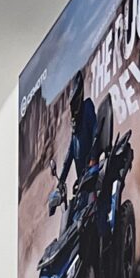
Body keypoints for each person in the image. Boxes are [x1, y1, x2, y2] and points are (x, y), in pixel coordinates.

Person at [55, 73, 102, 204]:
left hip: (92, 172)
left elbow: (95, 130)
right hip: (83, 181)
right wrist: (61, 180)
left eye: (74, 103)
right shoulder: (75, 127)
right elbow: (70, 154)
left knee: (94, 207)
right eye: (71, 105)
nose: (72, 108)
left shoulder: (87, 107)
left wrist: (93, 158)